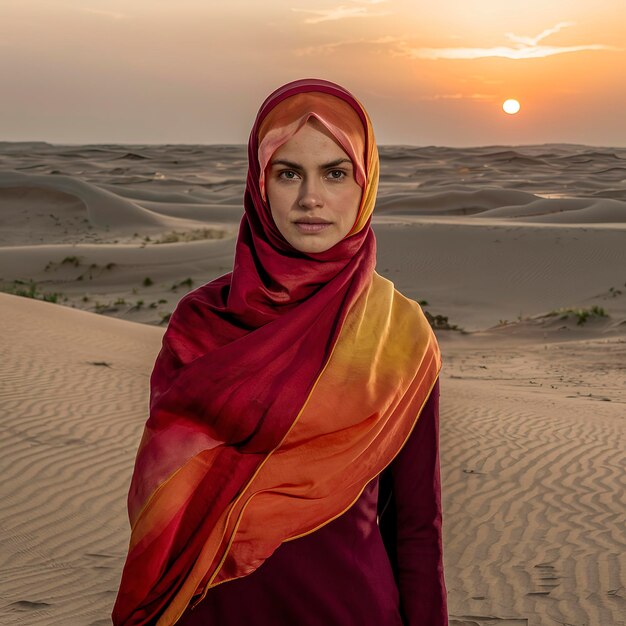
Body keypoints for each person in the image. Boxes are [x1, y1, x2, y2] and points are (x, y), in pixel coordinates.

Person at [112, 78, 447, 626]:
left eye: (335, 173)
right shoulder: (202, 322)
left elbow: (416, 526)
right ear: (258, 183)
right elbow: (165, 498)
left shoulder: (398, 335)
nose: (310, 198)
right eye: (288, 172)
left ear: (364, 185)